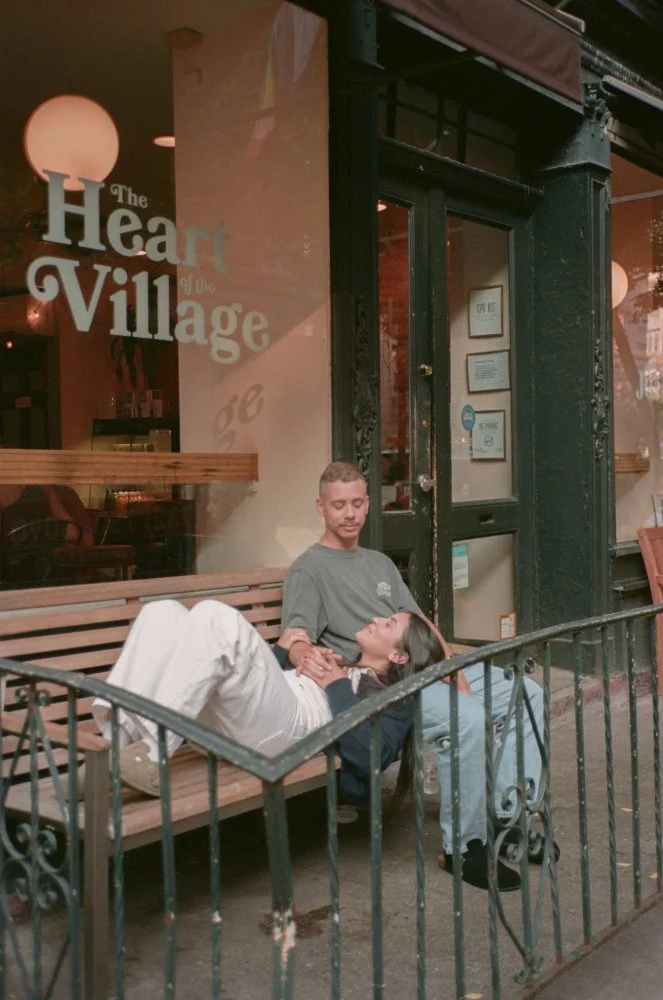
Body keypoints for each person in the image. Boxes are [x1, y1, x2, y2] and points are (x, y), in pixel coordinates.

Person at [283, 461, 550, 892]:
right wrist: (306, 657)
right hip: (385, 684)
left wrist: (452, 668)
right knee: (465, 718)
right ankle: (466, 846)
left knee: (527, 693)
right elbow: (294, 636)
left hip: (425, 669)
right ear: (320, 507)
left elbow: (421, 624)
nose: (348, 514)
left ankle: (509, 815)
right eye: (338, 506)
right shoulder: (309, 568)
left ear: (369, 504)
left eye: (356, 503)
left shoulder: (380, 564)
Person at [90, 598, 444, 809]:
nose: (376, 619)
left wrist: (335, 684)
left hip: (292, 733)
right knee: (162, 612)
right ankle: (111, 751)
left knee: (216, 615)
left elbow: (370, 755)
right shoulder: (342, 663)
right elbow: (243, 686)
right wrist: (284, 654)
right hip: (241, 724)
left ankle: (152, 751)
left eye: (389, 623)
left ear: (399, 655)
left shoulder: (397, 700)